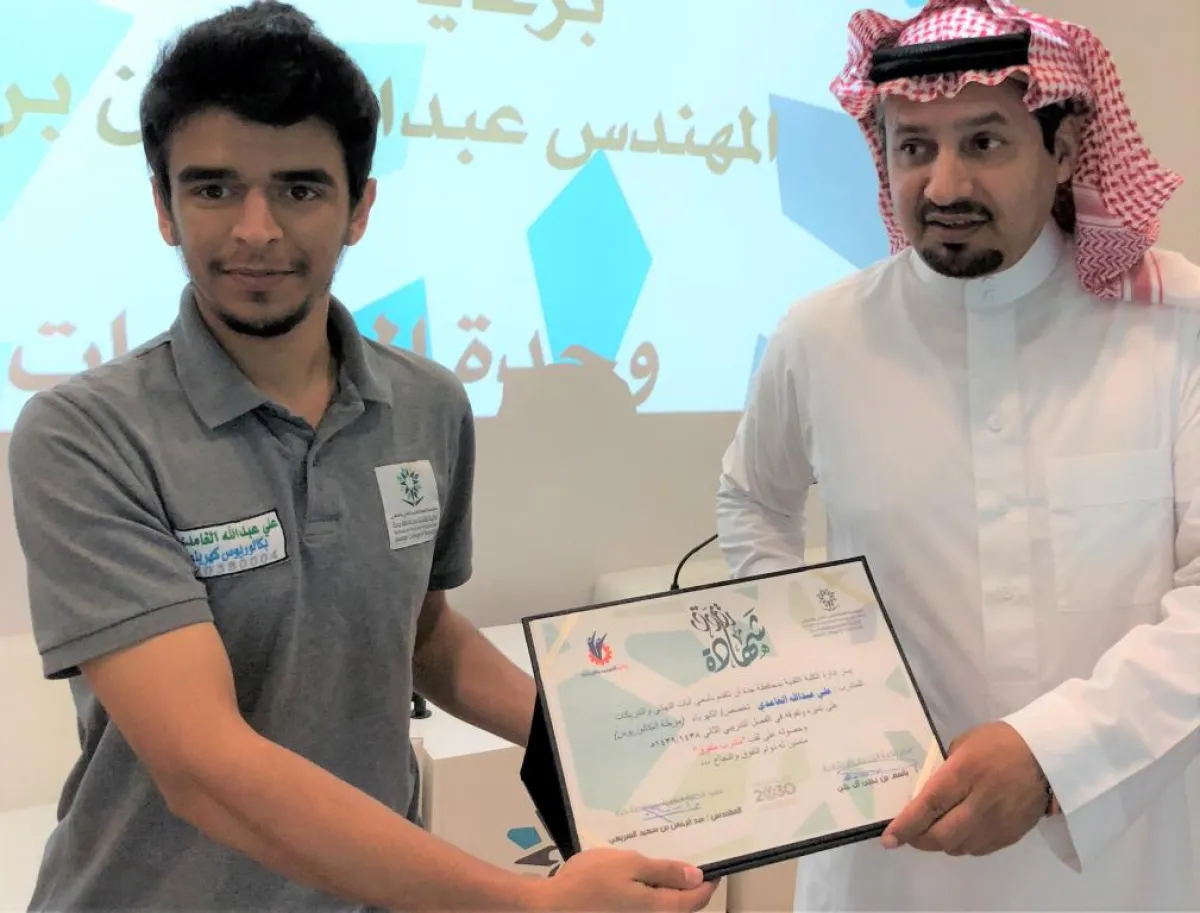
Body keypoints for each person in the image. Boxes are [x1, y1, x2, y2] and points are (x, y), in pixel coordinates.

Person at [6, 3, 719, 912]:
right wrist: (529, 904)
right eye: (214, 188)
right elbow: (204, 766)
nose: (256, 228)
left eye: (299, 189)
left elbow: (420, 633)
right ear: (163, 206)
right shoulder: (85, 434)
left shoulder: (426, 405)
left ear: (359, 208)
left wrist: (588, 735)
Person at [716, 0, 1199, 909]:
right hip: (886, 860)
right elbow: (751, 499)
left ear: (1064, 149)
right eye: (913, 147)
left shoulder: (1177, 325)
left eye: (984, 142)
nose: (943, 185)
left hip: (1120, 855)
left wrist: (1052, 755)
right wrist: (814, 669)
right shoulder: (822, 336)